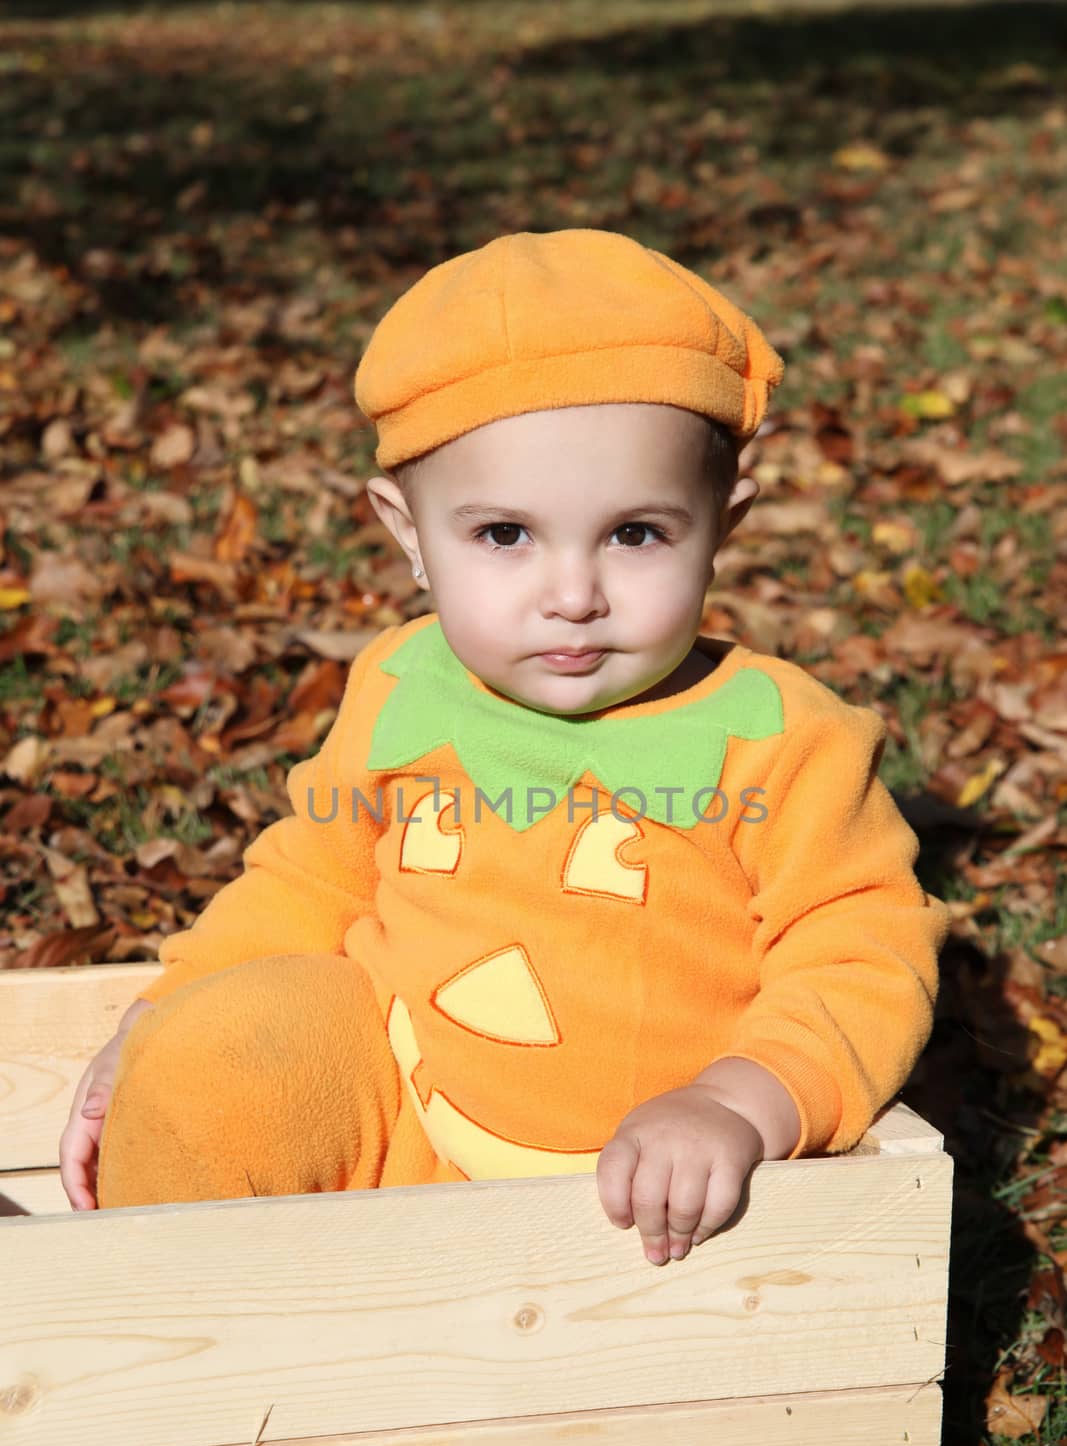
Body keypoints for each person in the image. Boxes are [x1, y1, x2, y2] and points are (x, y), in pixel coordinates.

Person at [59, 228, 950, 1267]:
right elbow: (309, 878)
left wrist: (737, 1100)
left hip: (641, 1198)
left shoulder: (781, 740)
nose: (571, 594)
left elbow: (860, 948)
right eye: (502, 536)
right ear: (408, 534)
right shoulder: (400, 689)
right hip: (397, 1124)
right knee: (211, 1058)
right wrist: (161, 1016)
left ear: (722, 524)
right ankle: (155, 1323)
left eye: (634, 534)